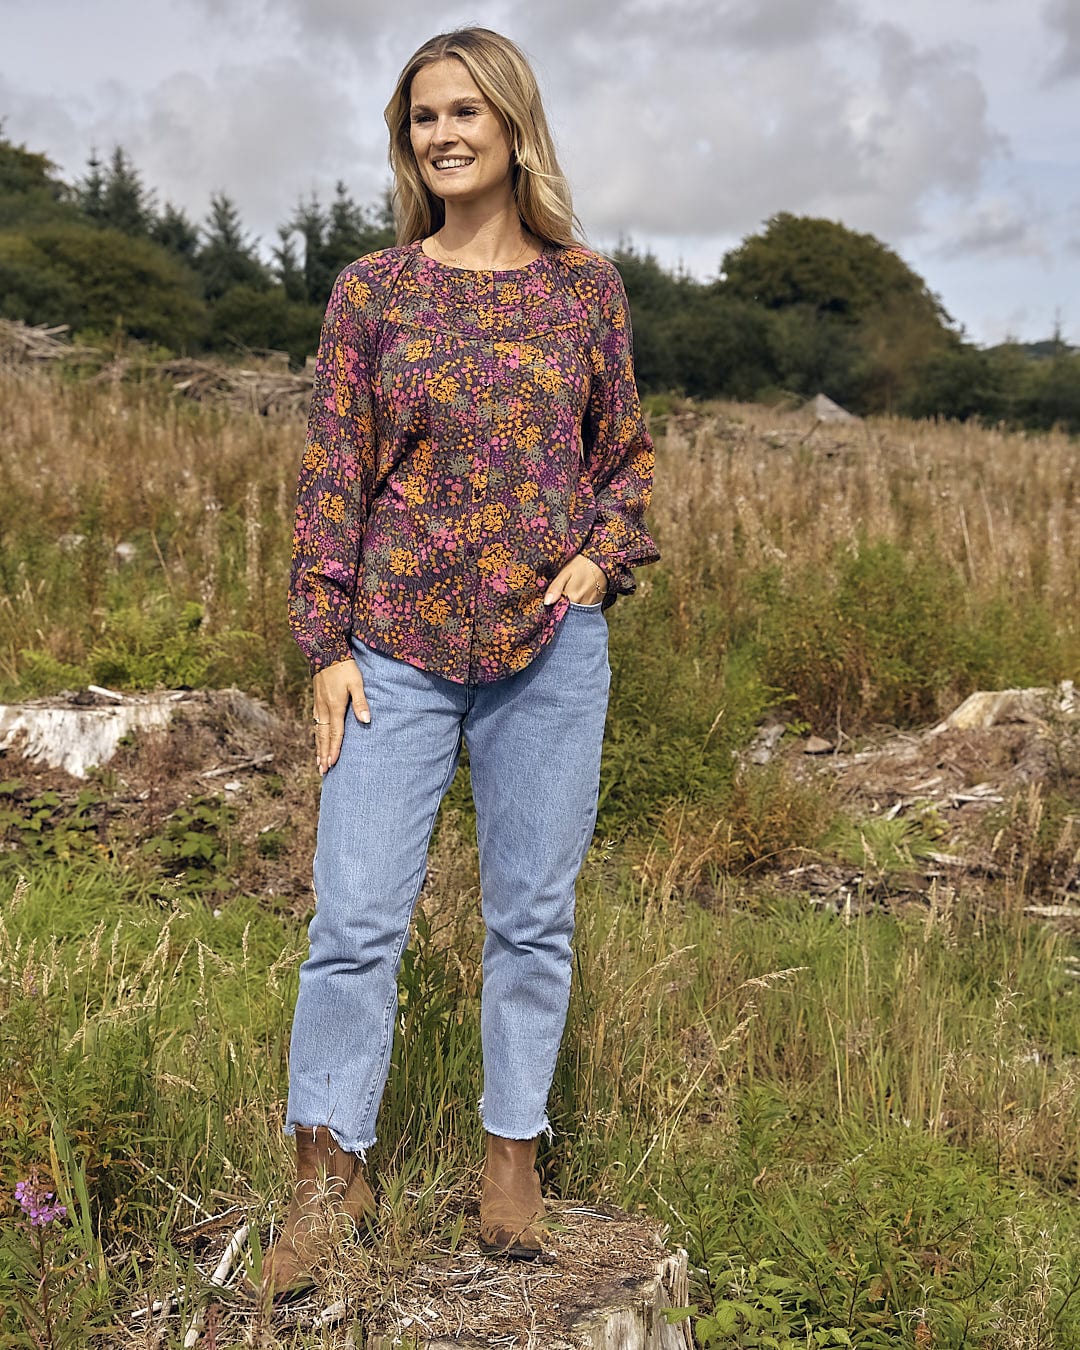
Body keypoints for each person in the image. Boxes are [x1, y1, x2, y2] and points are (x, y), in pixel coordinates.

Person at [261, 25, 660, 1302]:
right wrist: (323, 641)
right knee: (355, 917)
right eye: (422, 116)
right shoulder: (374, 292)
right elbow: (333, 471)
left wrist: (601, 560)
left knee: (530, 921)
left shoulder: (584, 289)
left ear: (512, 127)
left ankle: (510, 1158)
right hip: (397, 648)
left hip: (550, 646)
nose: (441, 134)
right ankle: (329, 1180)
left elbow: (627, 462)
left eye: (463, 113)